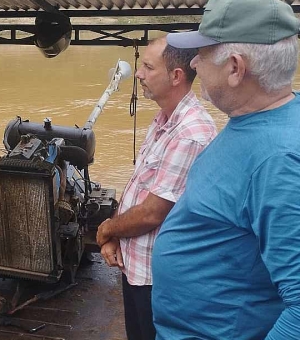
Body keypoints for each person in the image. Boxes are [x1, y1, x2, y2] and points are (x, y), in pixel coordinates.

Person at [152, 0, 300, 339]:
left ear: (235, 68)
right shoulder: (259, 120)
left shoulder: (278, 162)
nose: (192, 63)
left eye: (202, 54)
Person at [95, 37, 217, 340]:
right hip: (136, 267)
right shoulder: (163, 118)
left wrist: (109, 228)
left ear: (176, 76)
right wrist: (114, 238)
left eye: (148, 67)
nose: (138, 74)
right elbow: (138, 184)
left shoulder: (190, 133)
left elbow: (152, 213)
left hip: (159, 278)